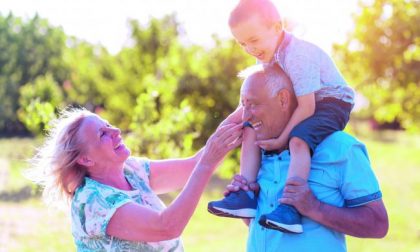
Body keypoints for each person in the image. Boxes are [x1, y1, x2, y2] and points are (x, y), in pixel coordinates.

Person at [208, 0, 355, 234]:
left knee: (298, 140)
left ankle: (290, 208)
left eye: (253, 40)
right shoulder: (266, 54)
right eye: (242, 43)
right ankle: (245, 193)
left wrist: (280, 141)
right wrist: (226, 127)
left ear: (277, 28)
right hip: (304, 98)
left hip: (331, 101)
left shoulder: (297, 55)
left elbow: (307, 107)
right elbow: (244, 108)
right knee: (250, 126)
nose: (249, 49)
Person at [28, 107, 242, 251]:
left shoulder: (131, 170)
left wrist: (247, 104)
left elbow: (191, 167)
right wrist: (206, 165)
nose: (116, 131)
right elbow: (166, 227)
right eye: (102, 134)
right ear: (85, 159)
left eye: (109, 124)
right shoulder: (92, 201)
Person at [223, 64, 388, 251]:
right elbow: (258, 226)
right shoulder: (257, 152)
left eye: (253, 105)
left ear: (283, 99)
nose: (246, 116)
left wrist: (314, 208)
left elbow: (378, 224)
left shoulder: (341, 147)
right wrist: (247, 201)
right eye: (244, 105)